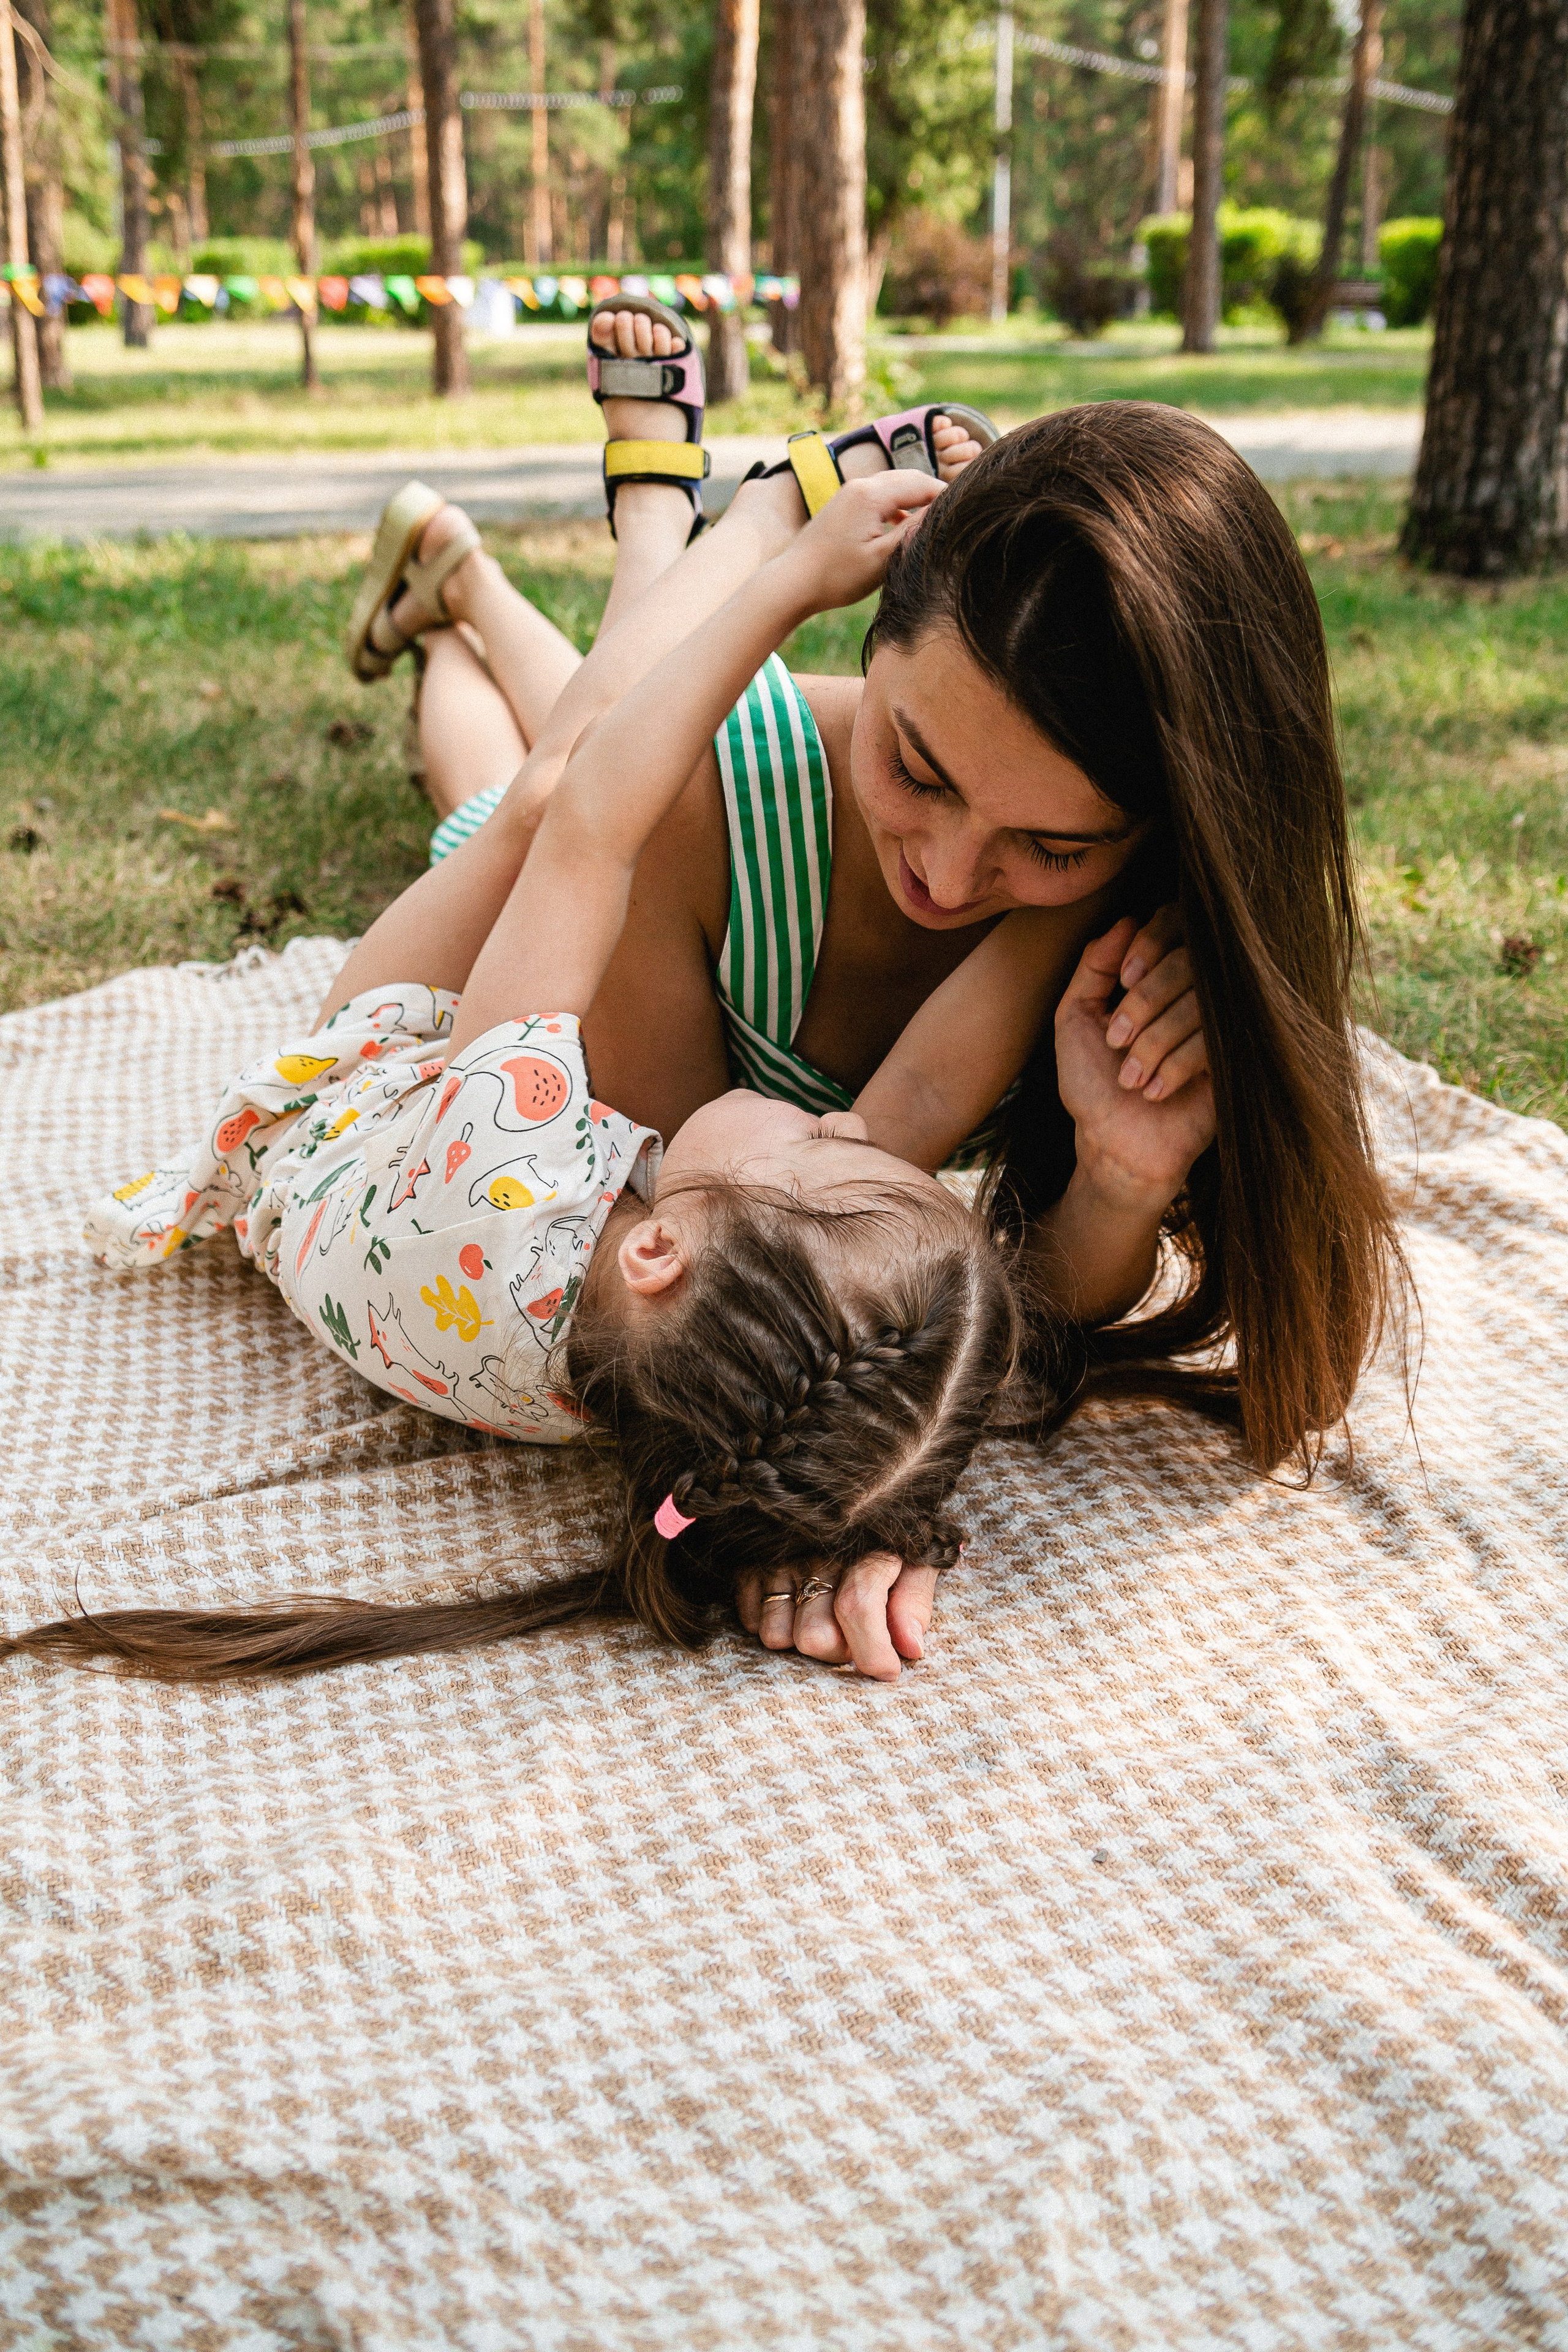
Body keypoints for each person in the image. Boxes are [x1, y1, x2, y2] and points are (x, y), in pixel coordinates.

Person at [336, 309, 1400, 1514]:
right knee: (517, 802)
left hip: (575, 919)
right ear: (874, 619)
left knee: (542, 772)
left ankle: (458, 591)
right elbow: (745, 1328)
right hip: (555, 924)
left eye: (1050, 845)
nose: (947, 879)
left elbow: (925, 1249)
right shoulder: (684, 810)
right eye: (920, 770)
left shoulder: (1124, 901)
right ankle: (633, 532)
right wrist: (810, 1506)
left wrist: (1118, 1174)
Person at [20, 468, 1044, 1691]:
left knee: (539, 798)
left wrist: (783, 574)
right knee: (497, 815)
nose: (844, 1115)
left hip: (355, 1107)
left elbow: (597, 817)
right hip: (385, 1235)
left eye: (827, 1147)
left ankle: (667, 521)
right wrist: (1073, 897)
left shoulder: (511, 1152)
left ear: (661, 1250)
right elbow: (912, 1109)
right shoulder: (689, 1406)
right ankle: (455, 610)